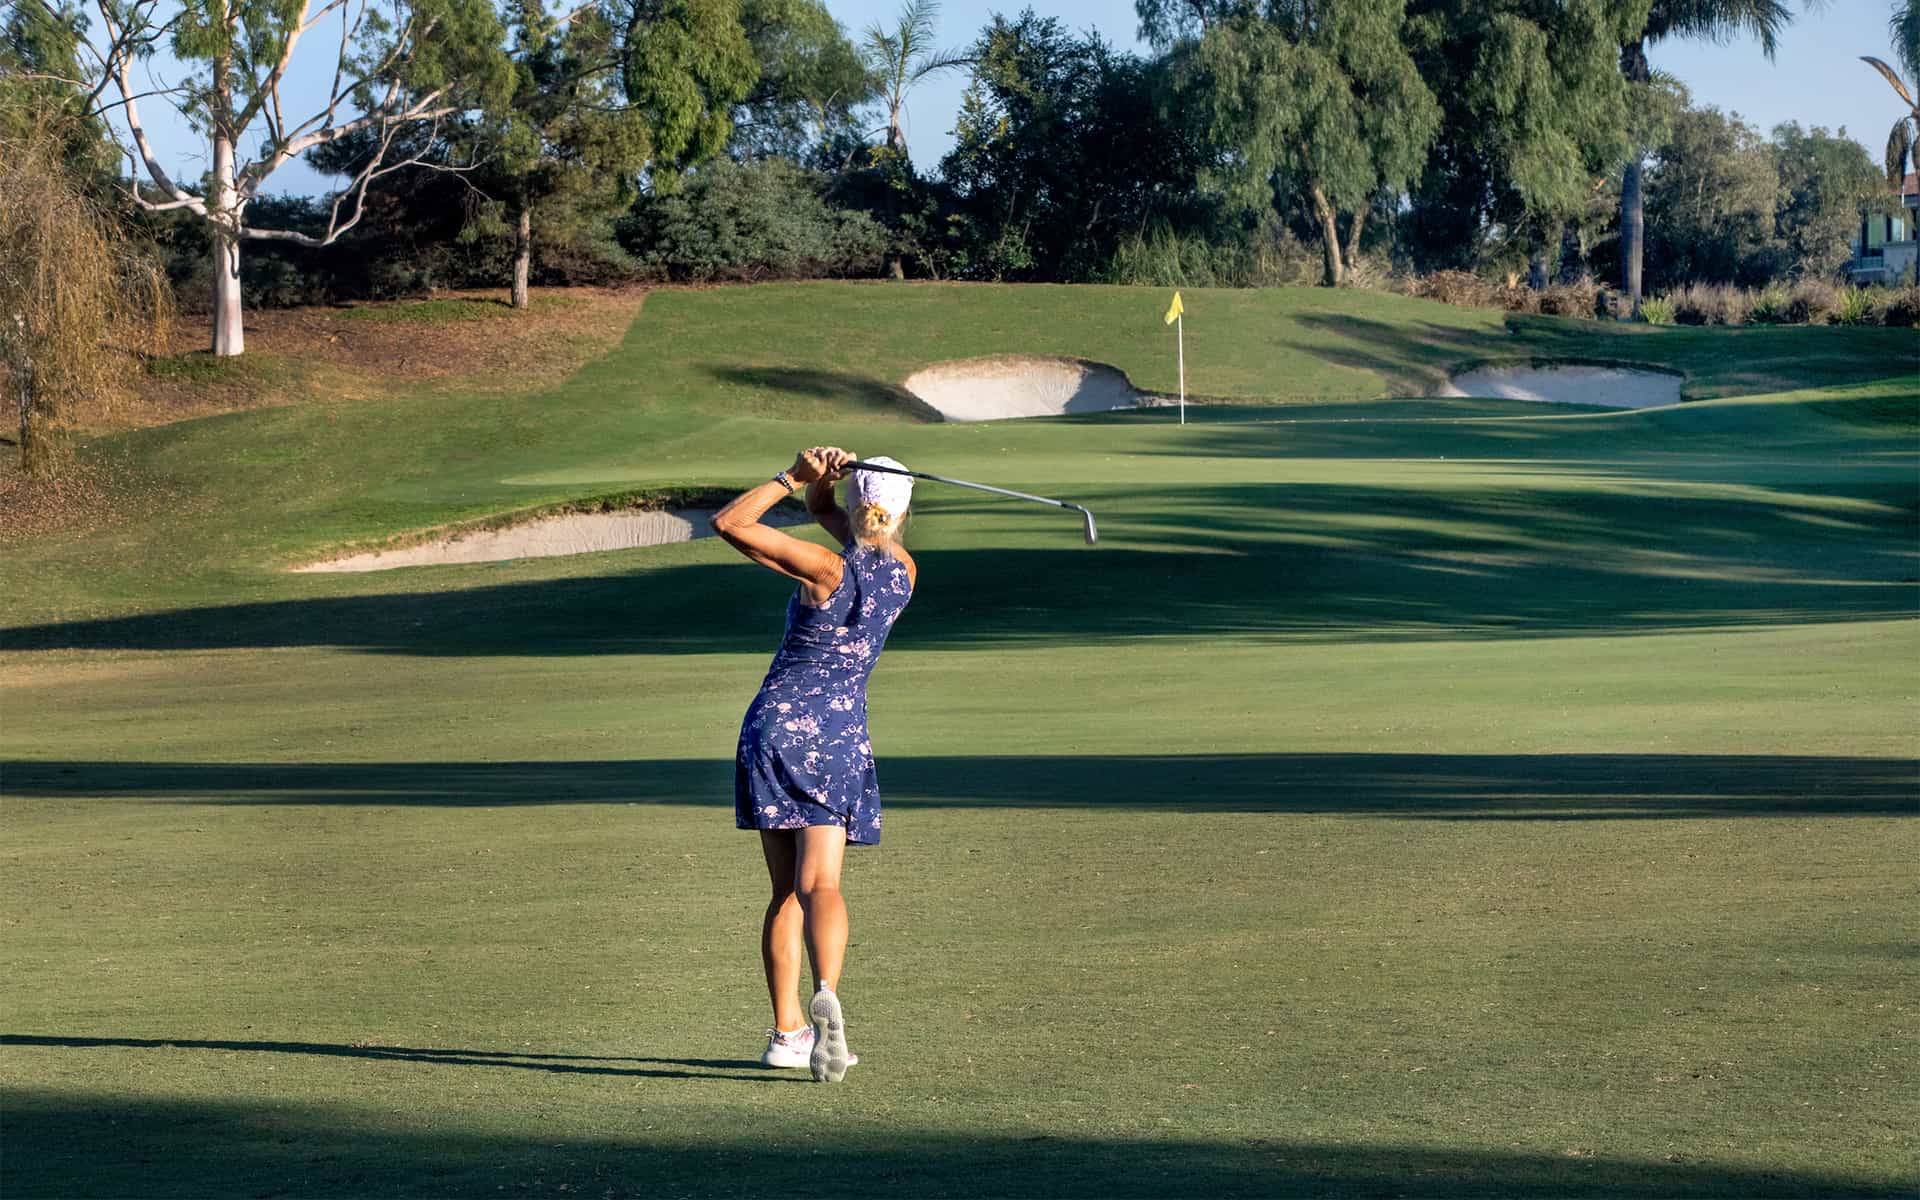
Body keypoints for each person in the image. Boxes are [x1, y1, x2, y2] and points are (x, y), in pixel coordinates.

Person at [712, 446, 917, 1083]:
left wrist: (795, 477)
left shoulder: (823, 569)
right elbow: (842, 523)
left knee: (785, 893)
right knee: (820, 885)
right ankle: (826, 989)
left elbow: (730, 523)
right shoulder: (904, 572)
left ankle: (787, 1032)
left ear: (858, 503)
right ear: (901, 512)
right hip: (839, 738)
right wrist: (826, 489)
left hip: (776, 731)